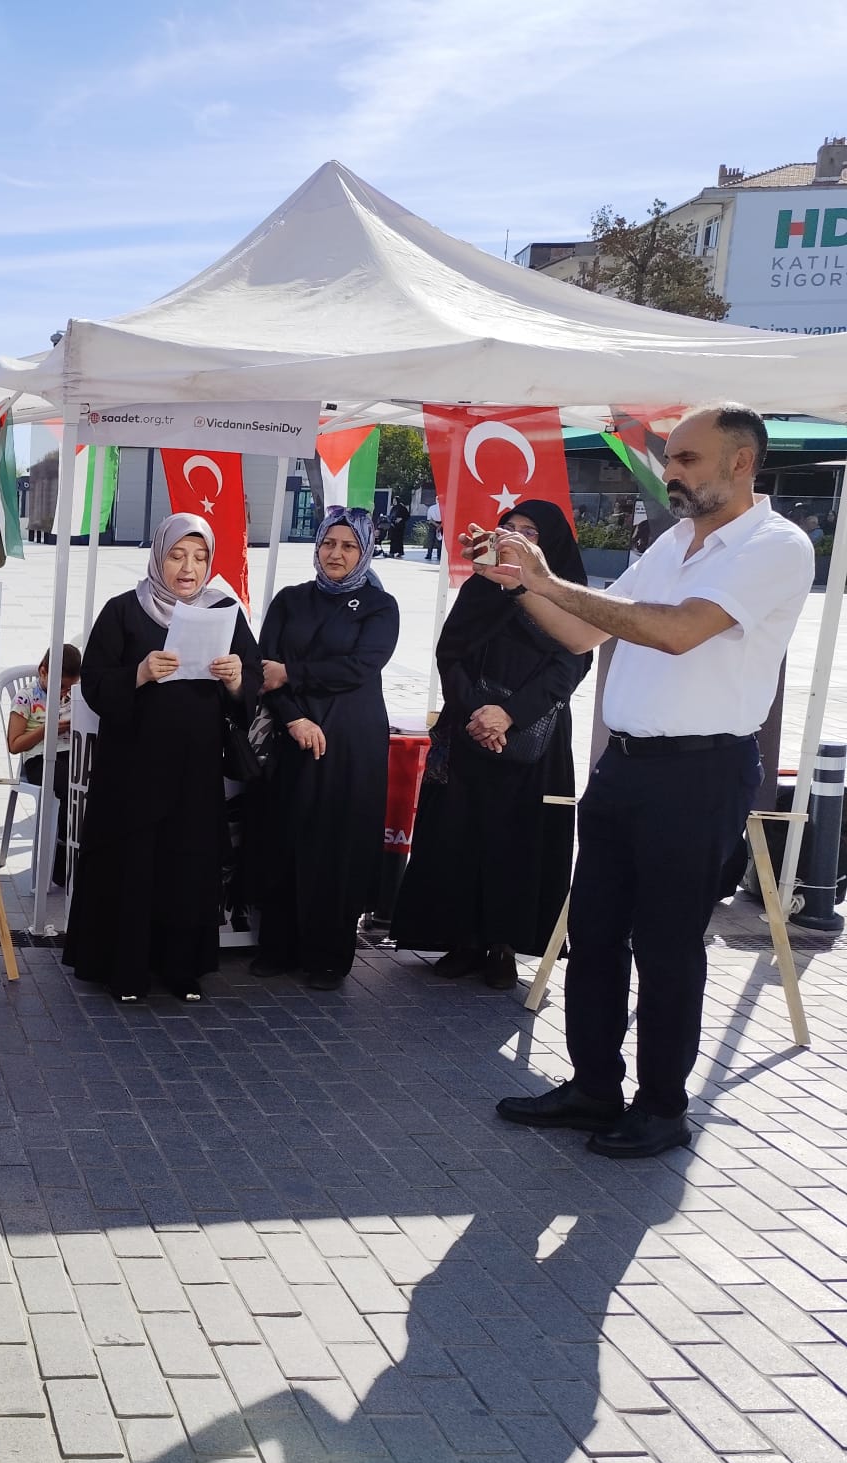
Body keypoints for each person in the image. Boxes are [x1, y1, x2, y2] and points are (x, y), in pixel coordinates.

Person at [490, 405, 813, 1158]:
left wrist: (551, 581)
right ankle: (593, 1086)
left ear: (741, 463)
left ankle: (663, 1108)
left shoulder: (776, 545)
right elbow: (583, 631)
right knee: (595, 936)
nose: (671, 472)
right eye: (671, 459)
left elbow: (673, 631)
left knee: (666, 946)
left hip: (702, 774)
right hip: (626, 768)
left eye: (689, 460)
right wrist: (520, 584)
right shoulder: (673, 540)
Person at [392, 501, 591, 989]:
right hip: (468, 730)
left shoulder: (568, 594)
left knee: (517, 841)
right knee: (461, 834)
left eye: (531, 533)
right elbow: (451, 649)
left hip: (533, 736)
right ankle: (461, 939)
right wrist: (476, 711)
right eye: (511, 530)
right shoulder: (482, 586)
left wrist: (509, 715)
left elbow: (572, 663)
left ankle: (504, 945)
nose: (518, 540)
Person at [62, 514, 259, 1001]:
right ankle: (123, 970)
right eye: (177, 555)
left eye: (199, 557)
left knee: (187, 865)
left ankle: (181, 968)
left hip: (195, 770)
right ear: (158, 556)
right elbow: (94, 683)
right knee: (133, 863)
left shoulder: (224, 611)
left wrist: (235, 676)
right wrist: (141, 673)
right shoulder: (125, 611)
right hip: (132, 768)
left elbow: (251, 687)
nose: (188, 568)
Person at [251, 507, 398, 991]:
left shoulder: (380, 606)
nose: (336, 554)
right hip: (292, 734)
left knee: (338, 843)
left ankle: (329, 956)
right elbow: (264, 668)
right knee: (284, 835)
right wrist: (293, 715)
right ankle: (277, 946)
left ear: (365, 550)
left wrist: (293, 673)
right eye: (328, 544)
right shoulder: (291, 600)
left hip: (352, 742)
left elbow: (361, 666)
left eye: (348, 546)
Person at [6, 643, 83, 886]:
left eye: (69, 687)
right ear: (43, 671)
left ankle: (78, 848)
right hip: (38, 757)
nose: (63, 693)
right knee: (67, 786)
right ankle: (61, 856)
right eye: (60, 686)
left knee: (88, 781)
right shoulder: (26, 698)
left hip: (70, 751)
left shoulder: (73, 694)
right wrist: (46, 729)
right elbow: (15, 745)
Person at [424, 496, 443, 562]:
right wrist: (439, 526)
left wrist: (436, 525)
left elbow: (429, 519)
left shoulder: (431, 508)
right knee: (439, 540)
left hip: (434, 524)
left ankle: (429, 554)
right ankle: (439, 555)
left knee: (431, 540)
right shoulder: (444, 507)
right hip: (441, 525)